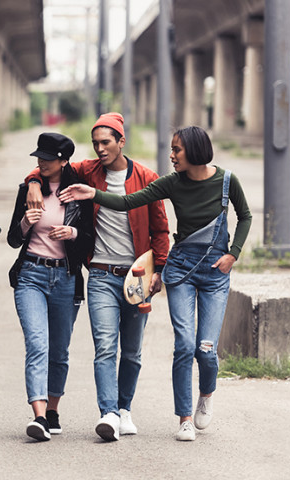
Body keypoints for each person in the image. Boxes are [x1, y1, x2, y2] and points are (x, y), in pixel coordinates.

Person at [59, 125, 252, 442]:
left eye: (177, 150)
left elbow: (245, 216)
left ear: (194, 150)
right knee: (184, 345)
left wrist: (234, 254)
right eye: (171, 150)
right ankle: (184, 418)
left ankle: (206, 393)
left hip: (216, 270)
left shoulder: (227, 181)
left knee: (205, 349)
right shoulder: (172, 183)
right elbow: (127, 202)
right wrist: (93, 193)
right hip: (181, 269)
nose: (172, 156)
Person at [25, 113, 170, 442]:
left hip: (136, 276)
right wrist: (33, 182)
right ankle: (108, 413)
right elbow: (49, 167)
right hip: (102, 275)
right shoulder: (88, 170)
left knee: (131, 352)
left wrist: (159, 269)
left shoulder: (147, 177)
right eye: (96, 143)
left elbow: (161, 229)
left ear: (121, 142)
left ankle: (125, 409)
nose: (100, 149)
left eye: (107, 142)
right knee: (105, 347)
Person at [8, 132, 95, 441]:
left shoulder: (78, 193)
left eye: (48, 157)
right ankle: (39, 416)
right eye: (39, 157)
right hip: (31, 274)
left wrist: (71, 233)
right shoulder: (29, 190)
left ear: (63, 161)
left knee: (59, 351)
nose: (41, 162)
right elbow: (13, 239)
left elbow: (89, 239)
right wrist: (25, 224)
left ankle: (54, 409)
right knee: (37, 345)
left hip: (66, 278)